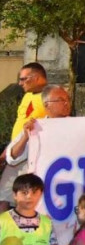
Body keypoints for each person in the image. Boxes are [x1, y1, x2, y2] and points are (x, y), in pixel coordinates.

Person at [0, 62, 48, 213]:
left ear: (36, 78)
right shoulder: (27, 95)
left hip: (31, 156)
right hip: (16, 151)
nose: (19, 83)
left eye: (23, 79)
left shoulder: (50, 96)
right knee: (4, 195)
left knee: (27, 198)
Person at [4, 85, 71, 186]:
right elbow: (12, 158)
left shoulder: (77, 125)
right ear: (46, 105)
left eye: (68, 99)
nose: (66, 103)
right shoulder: (35, 127)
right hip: (41, 186)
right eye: (60, 100)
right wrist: (25, 137)